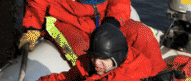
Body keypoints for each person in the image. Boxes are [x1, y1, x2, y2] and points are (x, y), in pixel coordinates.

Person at [37, 18, 165, 81]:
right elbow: (67, 77)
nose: (97, 63)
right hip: (76, 21)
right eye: (94, 57)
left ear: (117, 58)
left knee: (141, 32)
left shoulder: (126, 77)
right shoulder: (92, 63)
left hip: (100, 20)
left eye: (103, 59)